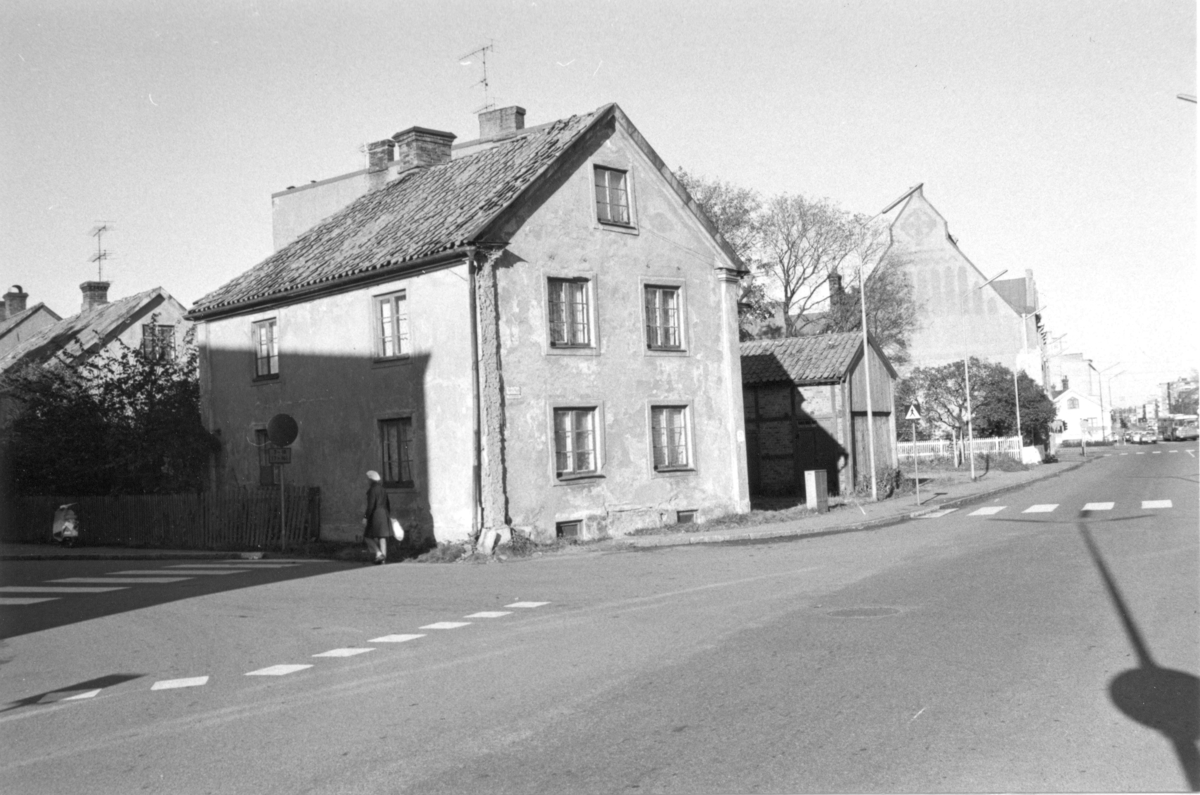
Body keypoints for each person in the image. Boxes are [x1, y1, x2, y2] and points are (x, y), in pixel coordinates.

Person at [362, 470, 391, 564]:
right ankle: (383, 559)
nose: (367, 481)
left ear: (371, 480)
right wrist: (388, 515)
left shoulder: (372, 490)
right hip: (384, 514)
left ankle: (378, 553)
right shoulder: (383, 490)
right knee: (382, 537)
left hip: (376, 515)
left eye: (368, 479)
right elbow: (388, 504)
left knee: (367, 537)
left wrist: (365, 517)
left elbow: (370, 506)